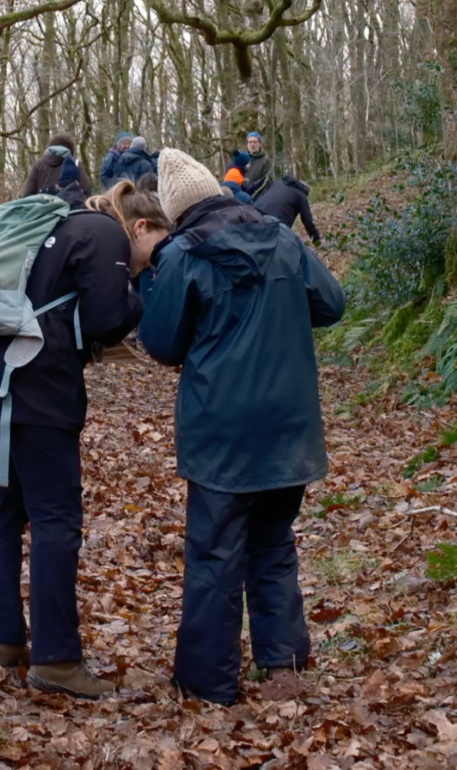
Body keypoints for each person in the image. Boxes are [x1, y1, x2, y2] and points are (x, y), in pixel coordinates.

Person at [138, 149, 346, 706]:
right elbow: (331, 303)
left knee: (214, 552)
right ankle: (283, 668)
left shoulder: (183, 254)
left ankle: (208, 684)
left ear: (177, 210)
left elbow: (160, 342)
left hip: (221, 429)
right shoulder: (281, 239)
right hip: (288, 424)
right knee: (273, 544)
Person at [0, 163, 142, 698]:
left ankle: (3, 640)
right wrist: (136, 295)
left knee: (0, 506)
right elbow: (106, 318)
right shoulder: (103, 232)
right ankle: (57, 659)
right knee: (57, 519)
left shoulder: (36, 230)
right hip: (35, 387)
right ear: (140, 225)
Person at [252, 174, 320, 245]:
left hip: (254, 212)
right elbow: (307, 220)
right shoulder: (301, 195)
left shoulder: (276, 183)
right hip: (274, 222)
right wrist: (316, 240)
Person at [23, 139, 87, 205]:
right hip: (69, 210)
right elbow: (86, 192)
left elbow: (27, 195)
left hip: (43, 210)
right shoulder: (76, 164)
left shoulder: (38, 165)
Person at [241, 132, 271, 196]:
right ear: (247, 144)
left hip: (258, 195)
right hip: (242, 195)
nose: (252, 144)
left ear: (259, 143)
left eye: (255, 142)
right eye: (250, 142)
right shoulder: (242, 158)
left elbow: (267, 181)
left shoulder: (266, 160)